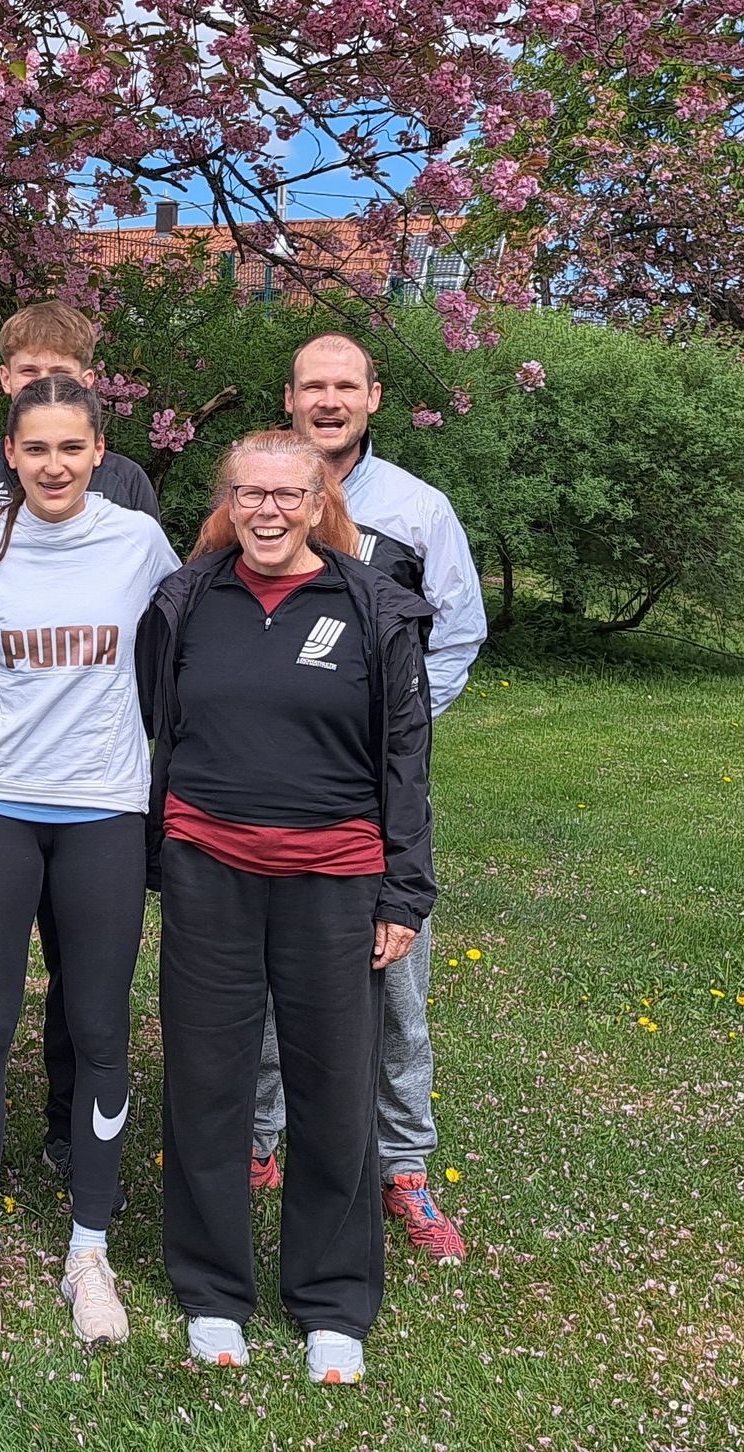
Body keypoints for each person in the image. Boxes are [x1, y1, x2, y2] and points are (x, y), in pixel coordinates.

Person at [139, 430, 436, 1386]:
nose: (267, 511)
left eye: (286, 496)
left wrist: (403, 889)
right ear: (226, 501)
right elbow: (154, 726)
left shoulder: (373, 608)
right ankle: (212, 1292)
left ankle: (331, 1299)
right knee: (205, 1084)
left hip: (335, 879)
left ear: (317, 504)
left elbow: (405, 758)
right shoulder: (185, 600)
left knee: (333, 1090)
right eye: (249, 494)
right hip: (207, 870)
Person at [0, 376, 179, 1345]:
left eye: (73, 448)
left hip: (103, 810)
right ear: (11, 453)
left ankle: (89, 1253)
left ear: (99, 451)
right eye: (37, 449)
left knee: (100, 1028)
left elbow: (192, 639)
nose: (55, 465)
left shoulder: (136, 541)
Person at [251, 332, 487, 1266]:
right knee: (266, 966)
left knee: (394, 974)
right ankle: (258, 1140)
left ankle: (403, 1163)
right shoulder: (258, 497)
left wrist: (397, 725)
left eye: (344, 386)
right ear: (289, 397)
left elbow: (457, 632)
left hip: (377, 790)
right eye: (312, 385)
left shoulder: (418, 511)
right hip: (272, 785)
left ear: (372, 398)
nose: (328, 400)